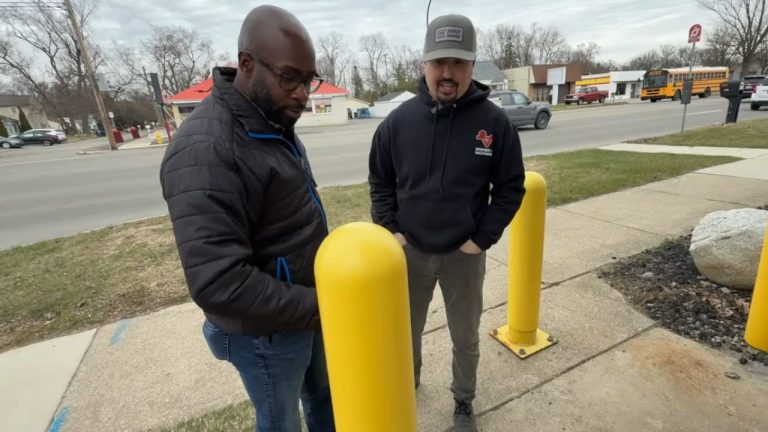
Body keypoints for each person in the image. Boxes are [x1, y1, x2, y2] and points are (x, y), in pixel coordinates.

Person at [159, 5, 335, 432]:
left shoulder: (271, 119)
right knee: (281, 423)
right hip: (265, 335)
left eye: (308, 80)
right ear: (247, 64)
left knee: (326, 402)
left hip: (306, 311)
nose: (302, 94)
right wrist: (324, 306)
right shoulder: (205, 148)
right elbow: (219, 281)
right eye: (289, 77)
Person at [368, 14, 526, 432]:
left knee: (466, 338)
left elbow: (511, 188)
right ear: (424, 64)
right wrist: (392, 232)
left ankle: (463, 404)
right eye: (439, 62)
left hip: (463, 255)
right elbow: (379, 181)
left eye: (458, 62)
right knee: (405, 332)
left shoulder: (494, 124)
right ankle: (409, 382)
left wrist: (481, 239)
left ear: (472, 65)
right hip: (410, 253)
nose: (447, 73)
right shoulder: (397, 123)